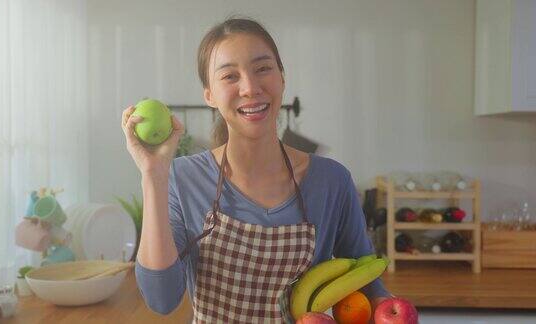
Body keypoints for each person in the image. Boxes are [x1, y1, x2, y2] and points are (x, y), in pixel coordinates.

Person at [121, 17, 390, 323]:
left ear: (282, 77)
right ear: (209, 95)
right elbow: (162, 300)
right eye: (229, 76)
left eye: (263, 68)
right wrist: (154, 174)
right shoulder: (182, 178)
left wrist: (387, 309)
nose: (250, 88)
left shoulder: (332, 181)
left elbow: (367, 281)